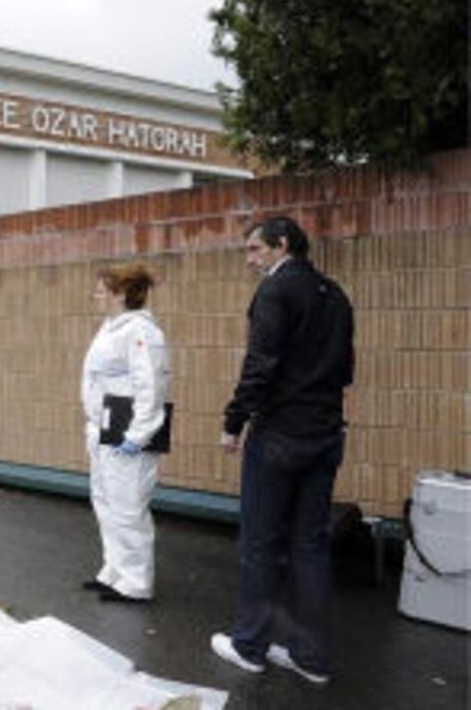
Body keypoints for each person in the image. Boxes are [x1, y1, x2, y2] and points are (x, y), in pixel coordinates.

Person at [210, 216, 354, 685]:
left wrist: (234, 422)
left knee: (260, 543)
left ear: (282, 244)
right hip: (326, 433)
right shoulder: (335, 295)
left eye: (254, 249)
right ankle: (310, 657)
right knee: (310, 546)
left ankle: (249, 645)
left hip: (280, 437)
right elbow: (344, 369)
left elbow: (261, 364)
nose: (249, 259)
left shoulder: (276, 291)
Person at [80, 263, 169, 603]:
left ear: (121, 294)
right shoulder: (111, 328)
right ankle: (113, 572)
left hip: (128, 435)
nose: (96, 295)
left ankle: (135, 583)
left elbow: (152, 385)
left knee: (129, 508)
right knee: (106, 503)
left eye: (101, 290)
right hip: (104, 430)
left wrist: (138, 435)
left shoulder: (141, 332)